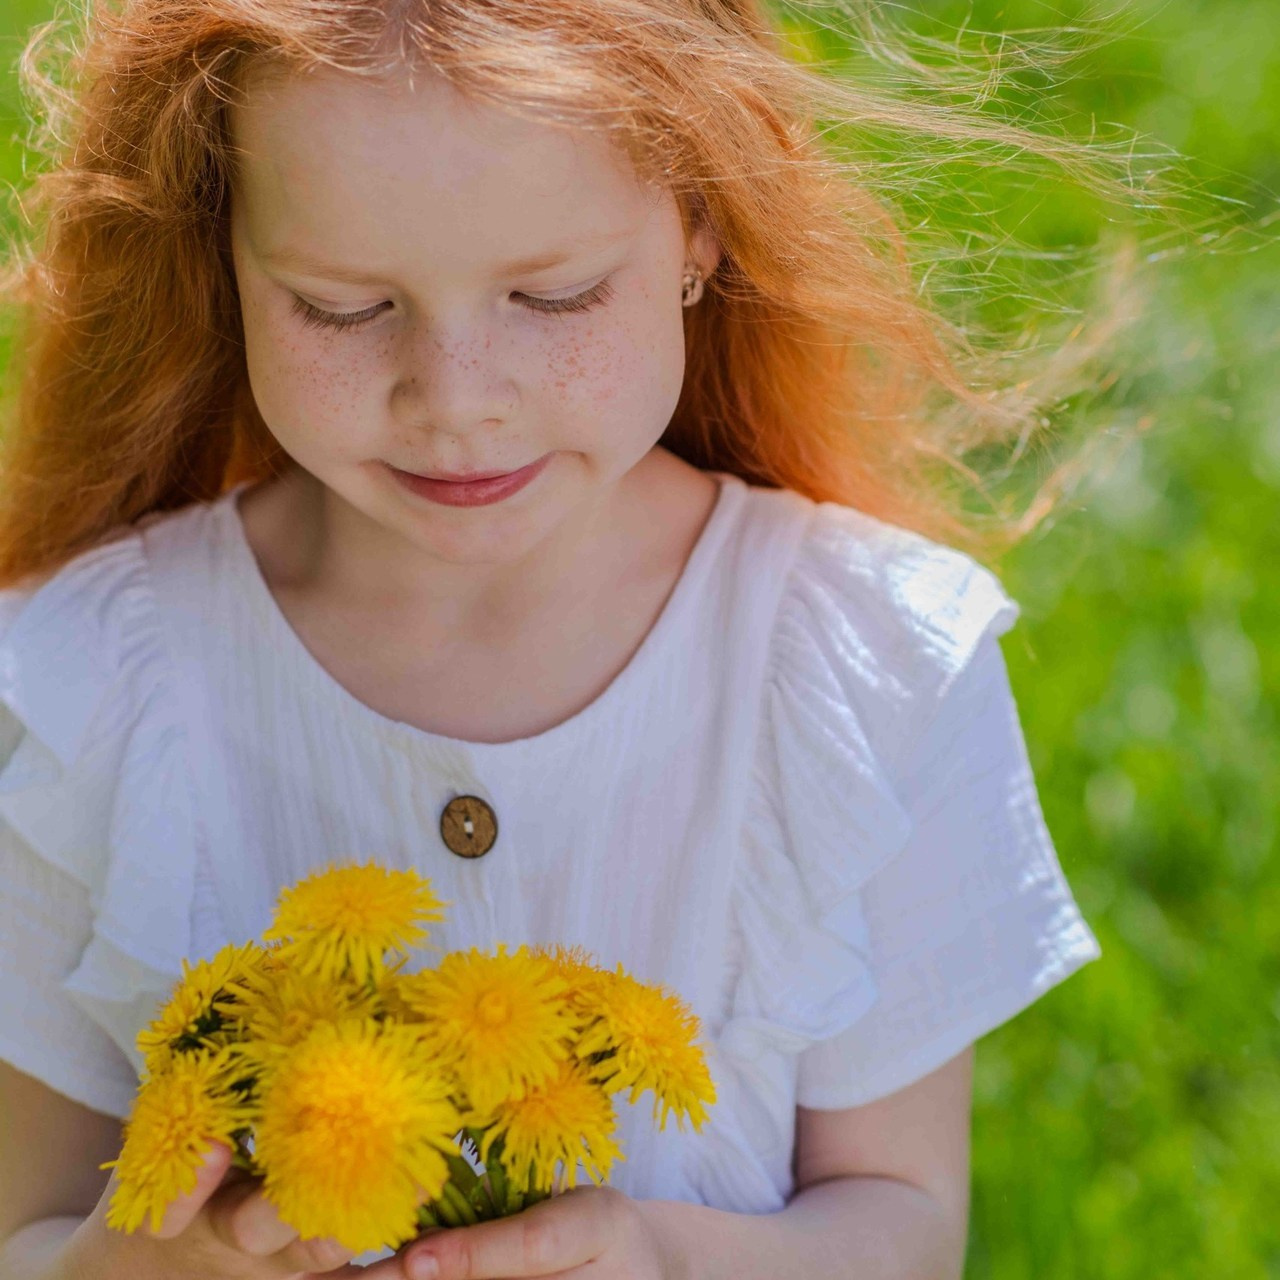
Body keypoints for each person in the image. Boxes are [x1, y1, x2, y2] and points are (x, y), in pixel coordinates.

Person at [0, 0, 1110, 1276]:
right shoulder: (78, 687)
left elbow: (900, 1221)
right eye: (341, 307)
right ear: (222, 255)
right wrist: (150, 1263)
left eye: (553, 292)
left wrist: (658, 1254)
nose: (457, 400)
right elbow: (24, 1225)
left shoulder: (864, 666)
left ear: (700, 221)